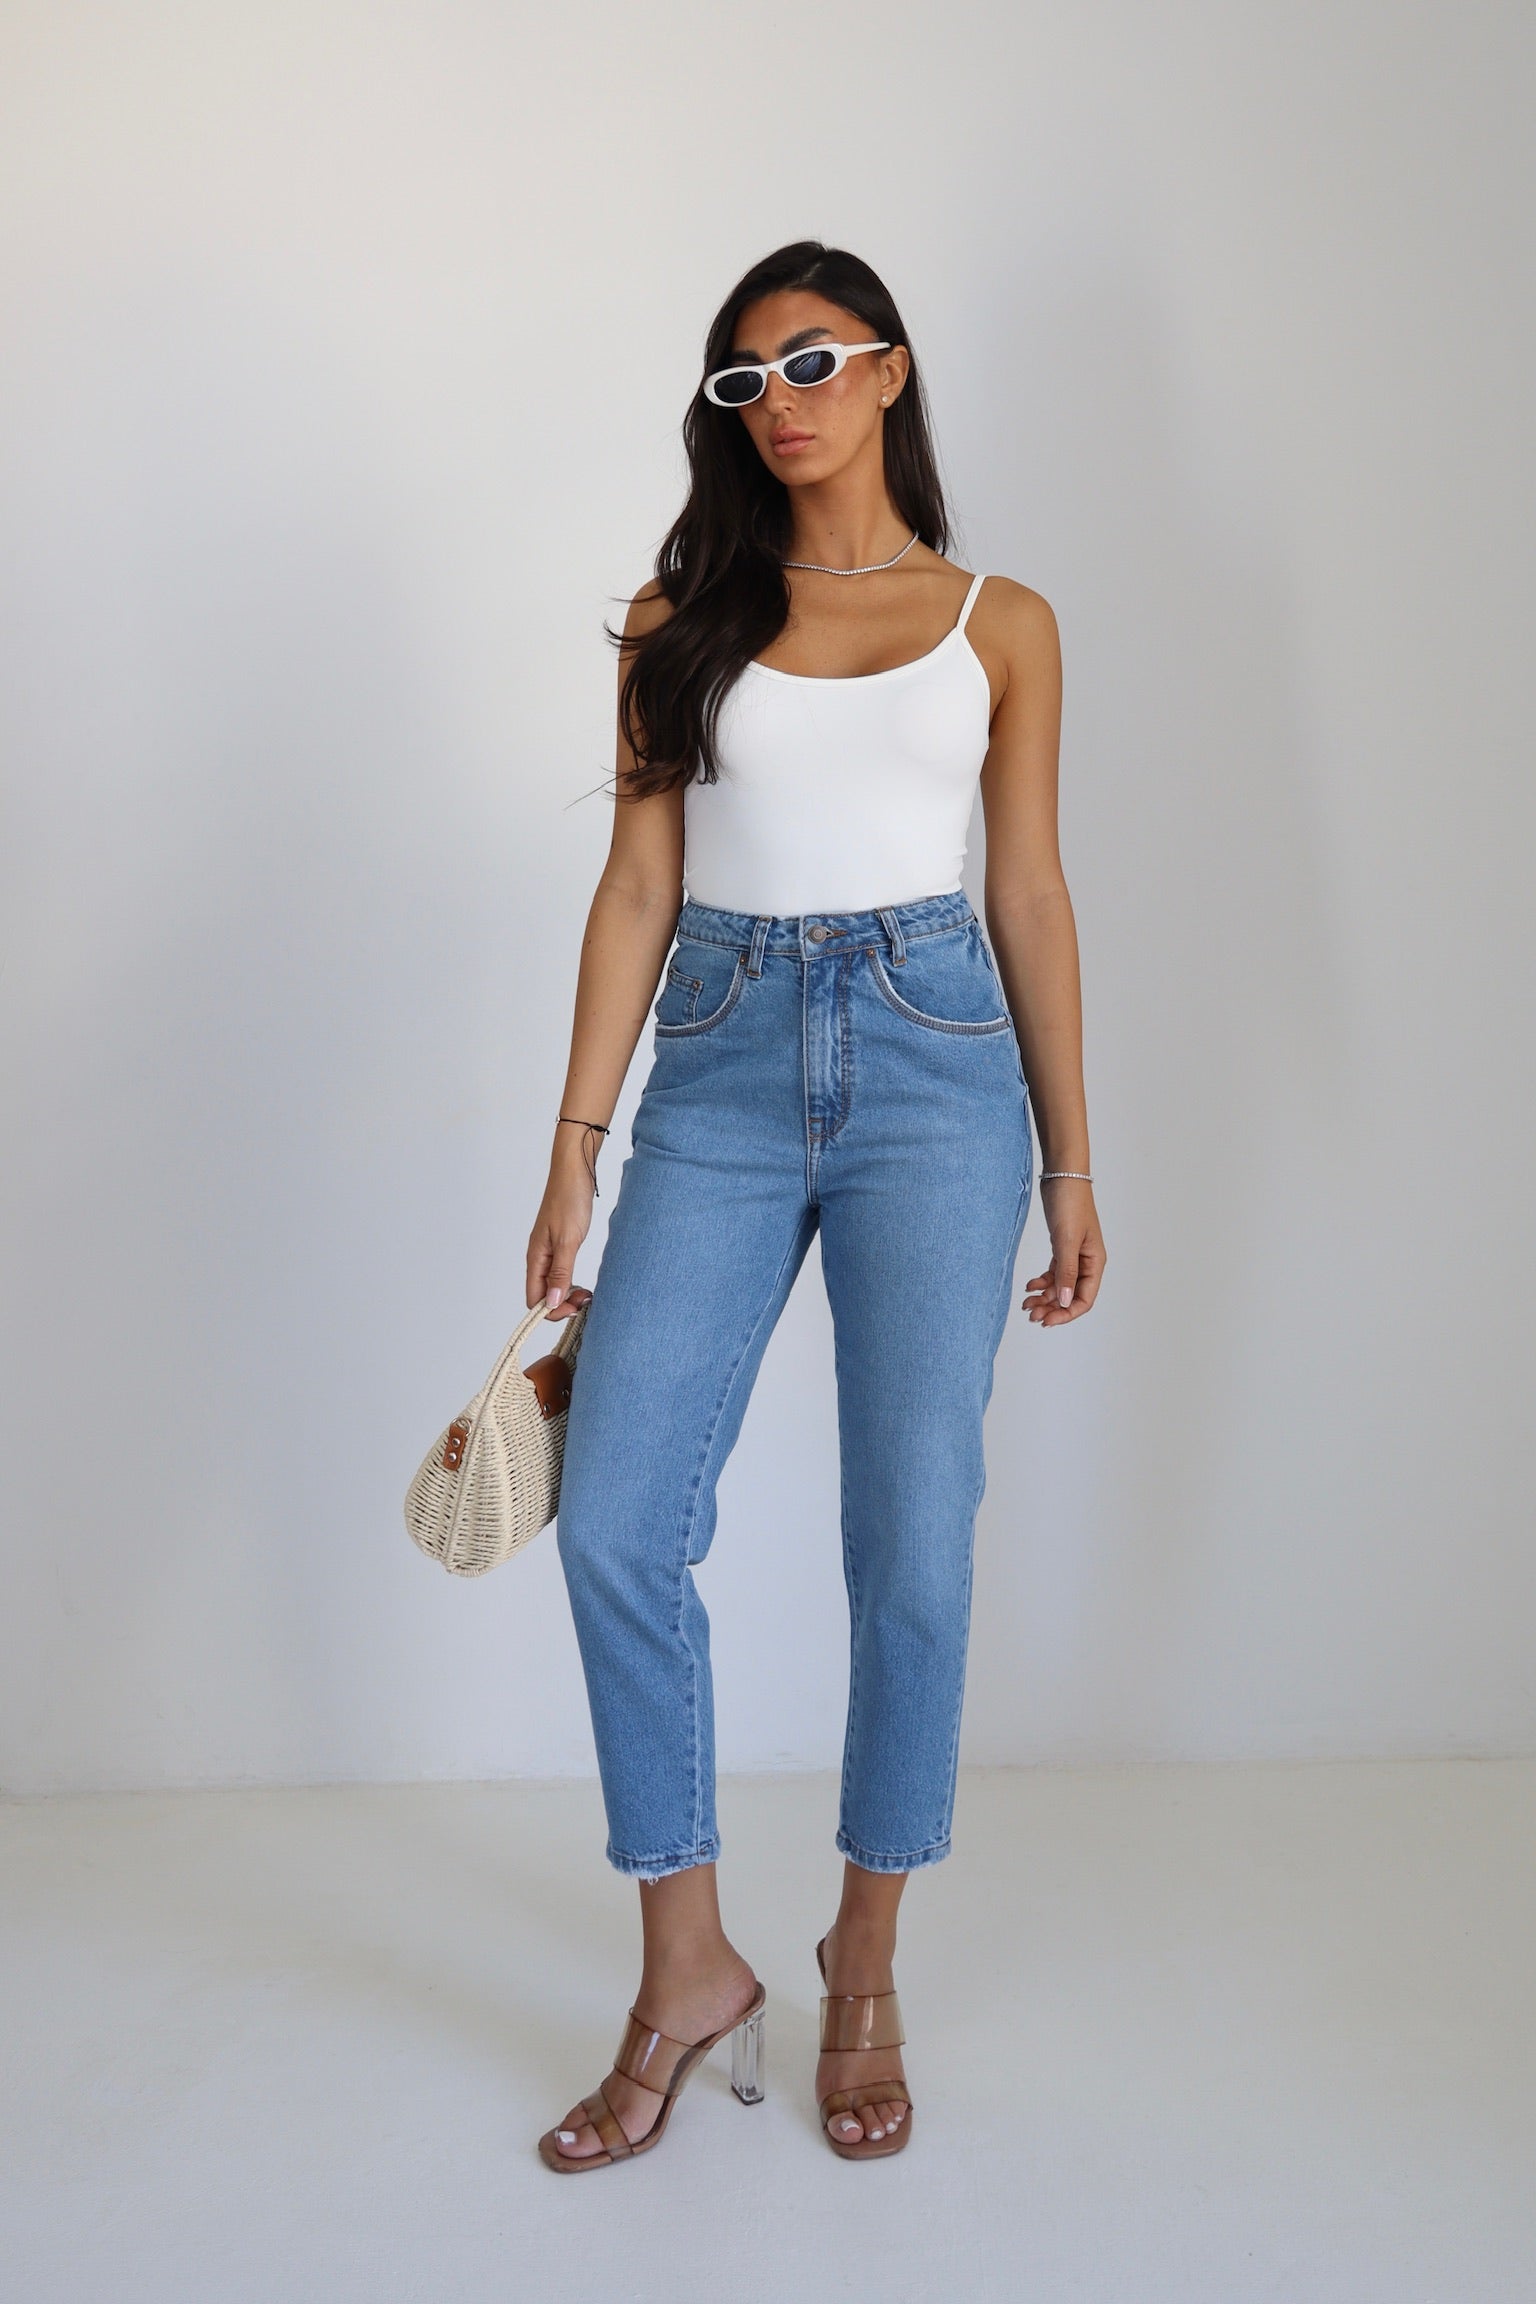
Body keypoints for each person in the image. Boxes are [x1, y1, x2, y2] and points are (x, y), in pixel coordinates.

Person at [526, 241, 1105, 2171]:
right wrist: (575, 1139)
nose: (777, 400)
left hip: (939, 1069)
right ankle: (687, 1968)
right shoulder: (678, 614)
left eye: (811, 362)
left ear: (889, 372)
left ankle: (866, 1953)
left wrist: (1073, 1160)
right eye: (743, 379)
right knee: (618, 1517)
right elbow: (637, 886)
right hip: (717, 1057)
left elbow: (1030, 892)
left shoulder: (1000, 623)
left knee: (913, 1537)